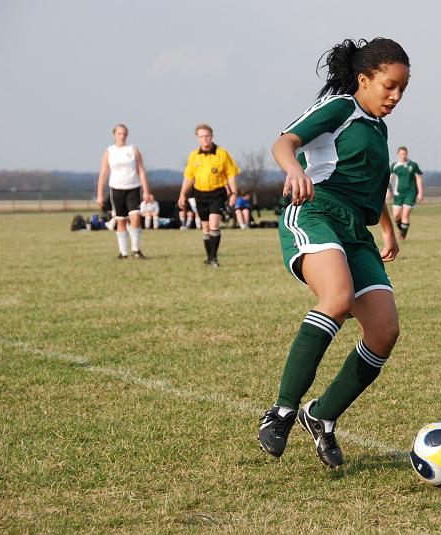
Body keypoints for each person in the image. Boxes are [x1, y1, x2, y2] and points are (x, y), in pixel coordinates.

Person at [258, 37, 410, 469]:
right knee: (338, 299)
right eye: (389, 86)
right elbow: (284, 143)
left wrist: (388, 230)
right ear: (364, 80)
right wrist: (294, 172)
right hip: (316, 211)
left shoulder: (379, 128)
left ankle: (321, 415)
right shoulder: (342, 108)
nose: (396, 96)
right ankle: (283, 410)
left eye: (402, 89)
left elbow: (371, 186)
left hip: (356, 232)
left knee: (384, 331)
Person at [178, 124, 240, 266]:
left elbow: (231, 174)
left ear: (212, 136)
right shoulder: (193, 156)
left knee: (214, 225)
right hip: (199, 194)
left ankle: (214, 258)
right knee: (205, 228)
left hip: (217, 193)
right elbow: (188, 177)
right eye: (201, 136)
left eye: (207, 136)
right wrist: (182, 195)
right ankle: (209, 257)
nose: (205, 139)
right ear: (198, 138)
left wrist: (234, 192)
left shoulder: (222, 154)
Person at [96, 124, 151, 259]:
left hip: (133, 188)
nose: (122, 136)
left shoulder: (133, 150)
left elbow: (141, 171)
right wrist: (99, 194)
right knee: (121, 220)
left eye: (124, 133)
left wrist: (146, 190)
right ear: (114, 135)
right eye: (119, 133)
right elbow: (103, 173)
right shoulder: (109, 151)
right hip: (116, 189)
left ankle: (136, 249)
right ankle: (124, 252)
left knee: (136, 217)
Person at [390, 146, 424, 239]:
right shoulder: (394, 166)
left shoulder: (413, 165)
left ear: (407, 154)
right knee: (396, 216)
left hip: (411, 193)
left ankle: (402, 236)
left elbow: (418, 178)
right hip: (398, 194)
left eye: (404, 153)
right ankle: (402, 230)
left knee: (405, 214)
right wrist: (388, 191)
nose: (403, 155)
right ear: (398, 155)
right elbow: (389, 179)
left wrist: (420, 193)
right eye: (401, 154)